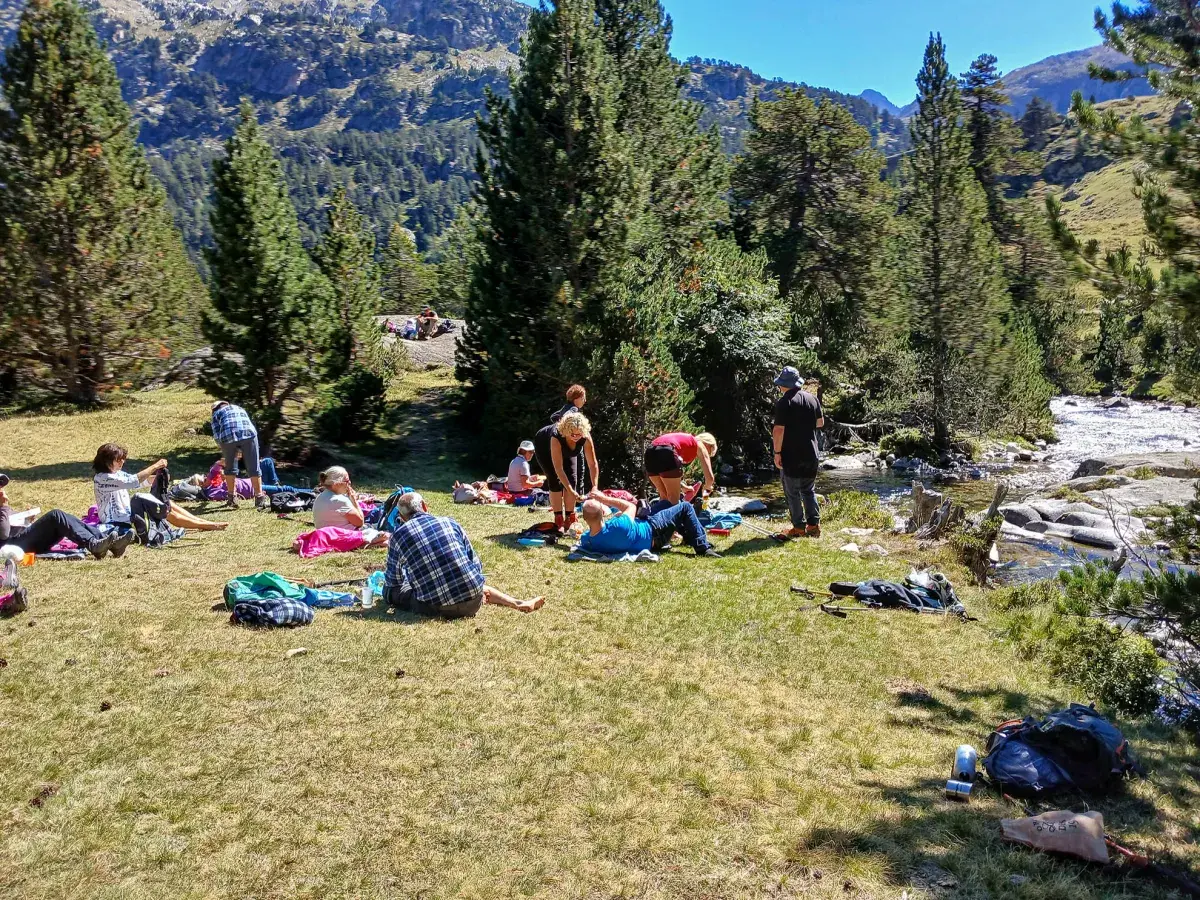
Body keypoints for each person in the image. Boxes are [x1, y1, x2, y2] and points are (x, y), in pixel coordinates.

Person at [382, 493, 545, 618]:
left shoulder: (398, 536)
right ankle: (519, 603)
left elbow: (393, 581)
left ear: (401, 517)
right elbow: (476, 565)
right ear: (425, 506)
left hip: (435, 607)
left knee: (390, 591)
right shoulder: (450, 522)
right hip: (473, 602)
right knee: (469, 582)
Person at [92, 443, 227, 532]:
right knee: (161, 508)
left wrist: (157, 478)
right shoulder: (103, 478)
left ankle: (202, 522)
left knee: (166, 503)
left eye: (122, 458)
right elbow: (133, 481)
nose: (122, 461)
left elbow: (139, 482)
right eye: (118, 459)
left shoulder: (117, 474)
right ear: (107, 461)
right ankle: (205, 525)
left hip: (128, 515)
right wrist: (156, 466)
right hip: (119, 521)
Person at [0, 478, 133, 558]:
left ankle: (110, 543)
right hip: (11, 546)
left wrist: (27, 519)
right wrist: (4, 507)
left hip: (21, 538)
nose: (2, 489)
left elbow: (9, 523)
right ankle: (94, 544)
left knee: (64, 518)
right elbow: (4, 534)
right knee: (56, 515)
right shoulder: (2, 506)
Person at [579, 489, 721, 558]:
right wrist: (604, 498)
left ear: (585, 519)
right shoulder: (618, 525)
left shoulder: (588, 541)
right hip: (654, 529)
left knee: (665, 504)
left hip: (648, 538)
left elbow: (596, 532)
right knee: (685, 507)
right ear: (603, 512)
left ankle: (690, 537)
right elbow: (630, 506)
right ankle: (702, 548)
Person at [772, 366, 824, 539]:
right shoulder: (812, 398)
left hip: (791, 454)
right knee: (808, 490)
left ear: (784, 385)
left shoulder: (784, 402)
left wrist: (777, 453)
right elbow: (820, 423)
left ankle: (798, 528)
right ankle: (813, 526)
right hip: (811, 453)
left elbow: (778, 430)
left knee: (792, 492)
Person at [534, 410, 599, 533]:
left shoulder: (585, 436)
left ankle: (570, 517)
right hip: (544, 444)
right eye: (573, 435)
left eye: (579, 434)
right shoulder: (556, 436)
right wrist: (571, 492)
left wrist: (595, 487)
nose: (576, 437)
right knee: (553, 478)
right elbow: (559, 469)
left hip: (567, 450)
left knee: (572, 478)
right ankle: (558, 518)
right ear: (566, 431)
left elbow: (592, 463)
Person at [210, 401, 268, 510]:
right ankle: (259, 498)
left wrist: (228, 450)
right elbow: (247, 423)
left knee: (230, 468)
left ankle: (232, 498)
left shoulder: (216, 414)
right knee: (254, 466)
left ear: (214, 409)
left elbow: (217, 435)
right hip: (249, 433)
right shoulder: (238, 408)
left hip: (227, 435)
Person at [312, 466, 389, 546]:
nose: (349, 483)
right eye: (347, 481)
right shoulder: (339, 500)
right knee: (386, 535)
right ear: (336, 483)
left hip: (326, 537)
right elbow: (360, 523)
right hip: (345, 536)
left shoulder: (320, 497)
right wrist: (354, 501)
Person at [643, 431, 717, 507]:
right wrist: (707, 489)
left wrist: (682, 486)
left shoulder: (686, 442)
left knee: (664, 497)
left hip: (650, 451)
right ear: (708, 444)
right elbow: (710, 479)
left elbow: (669, 475)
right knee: (673, 499)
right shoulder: (699, 444)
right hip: (667, 451)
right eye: (709, 452)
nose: (707, 454)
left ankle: (655, 514)